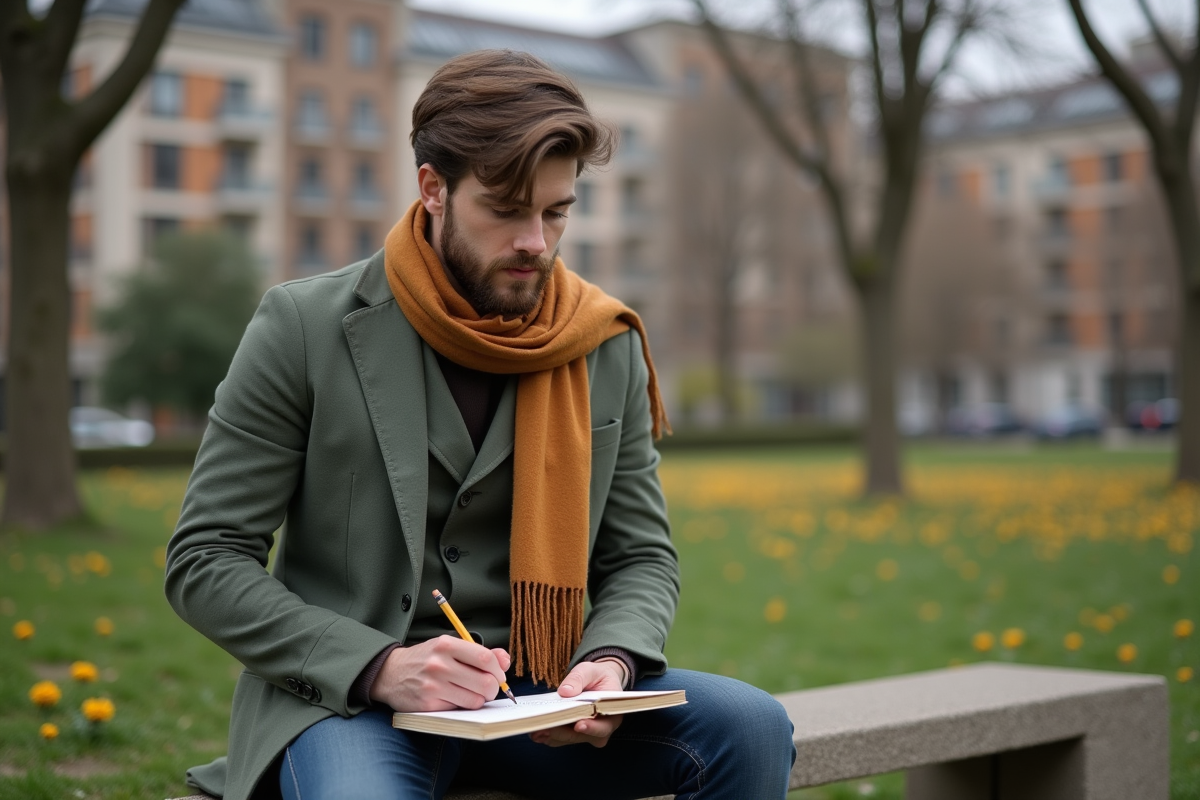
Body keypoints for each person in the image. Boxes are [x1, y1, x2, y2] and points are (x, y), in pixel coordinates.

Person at [165, 49, 795, 800]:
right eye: (505, 210)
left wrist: (613, 660)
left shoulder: (604, 342)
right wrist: (376, 665)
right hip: (349, 705)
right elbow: (205, 558)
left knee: (755, 728)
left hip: (541, 699)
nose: (536, 239)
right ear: (433, 188)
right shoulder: (303, 327)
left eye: (556, 212)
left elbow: (640, 558)